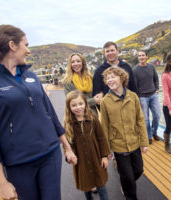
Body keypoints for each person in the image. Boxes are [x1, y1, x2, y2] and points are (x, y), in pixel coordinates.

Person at [0, 25, 76, 200]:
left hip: (50, 153)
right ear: (12, 45)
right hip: (18, 163)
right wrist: (0, 182)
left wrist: (67, 147)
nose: (28, 51)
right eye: (26, 45)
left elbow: (50, 113)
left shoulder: (31, 76)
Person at [100, 67, 148, 200]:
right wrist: (106, 149)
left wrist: (144, 142)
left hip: (134, 142)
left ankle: (126, 185)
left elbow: (140, 120)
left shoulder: (133, 97)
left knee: (138, 170)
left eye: (113, 77)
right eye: (107, 78)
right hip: (119, 145)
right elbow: (104, 126)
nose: (110, 80)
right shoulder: (105, 101)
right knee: (127, 176)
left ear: (122, 78)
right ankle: (129, 194)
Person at [63, 90, 110, 200]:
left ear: (85, 103)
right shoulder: (68, 123)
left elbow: (101, 138)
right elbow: (66, 145)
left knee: (101, 185)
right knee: (86, 186)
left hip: (96, 158)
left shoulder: (93, 118)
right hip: (81, 162)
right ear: (69, 107)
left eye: (80, 104)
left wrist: (104, 156)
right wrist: (68, 156)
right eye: (73, 105)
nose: (78, 107)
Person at [92, 41, 137, 106]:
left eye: (112, 50)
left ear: (117, 51)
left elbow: (133, 87)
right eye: (107, 51)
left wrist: (135, 103)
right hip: (110, 107)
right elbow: (96, 92)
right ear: (104, 54)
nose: (110, 53)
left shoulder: (126, 67)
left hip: (128, 104)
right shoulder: (99, 71)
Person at [133, 50, 160, 144]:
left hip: (153, 95)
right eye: (139, 56)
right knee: (146, 119)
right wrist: (138, 98)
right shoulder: (135, 70)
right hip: (142, 97)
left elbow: (156, 79)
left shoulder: (151, 67)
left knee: (157, 115)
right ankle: (148, 136)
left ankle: (154, 132)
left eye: (143, 55)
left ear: (146, 57)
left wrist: (156, 89)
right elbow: (135, 87)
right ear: (138, 57)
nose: (141, 57)